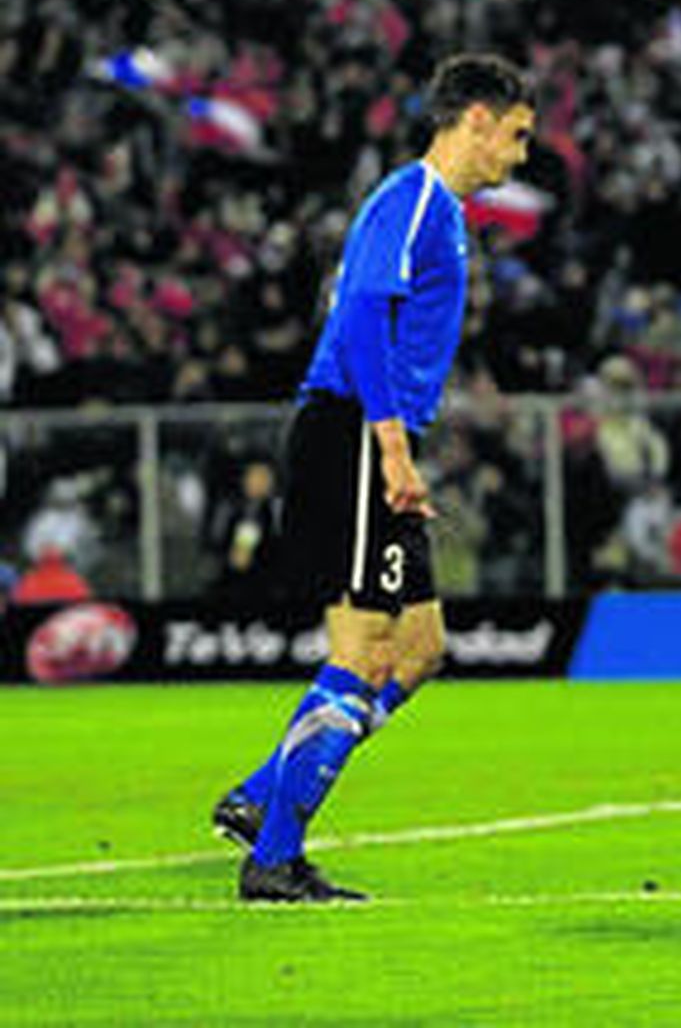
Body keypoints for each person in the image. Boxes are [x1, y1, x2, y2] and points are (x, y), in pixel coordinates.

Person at [209, 54, 536, 902]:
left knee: (420, 650)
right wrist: (391, 447)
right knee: (360, 653)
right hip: (356, 430)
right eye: (517, 133)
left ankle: (259, 793)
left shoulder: (444, 214)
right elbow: (359, 318)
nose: (522, 153)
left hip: (372, 433)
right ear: (475, 119)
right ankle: (274, 857)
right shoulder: (414, 198)